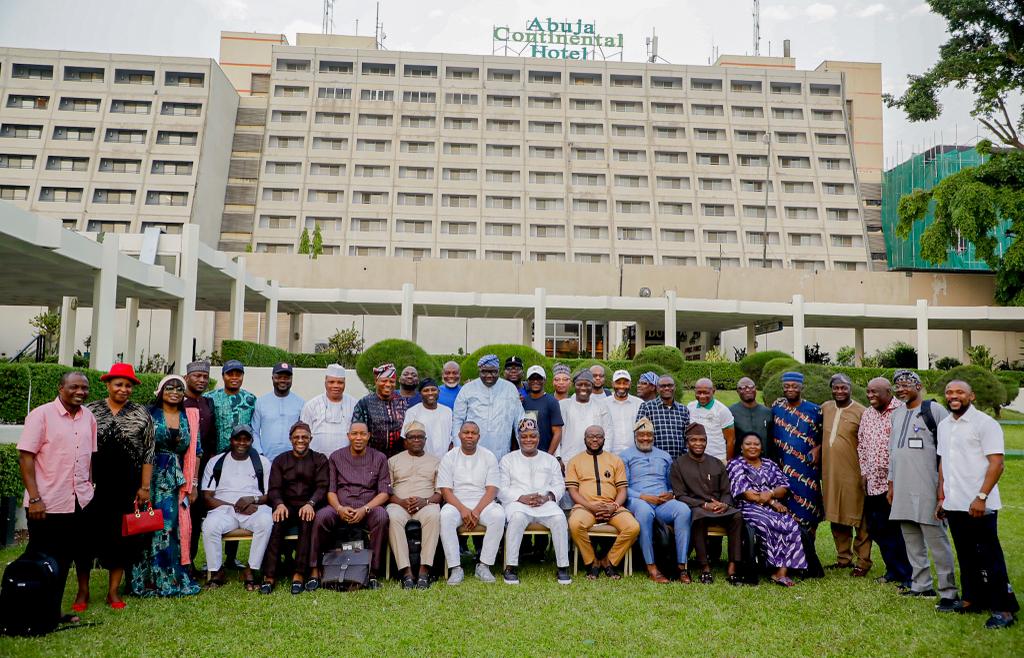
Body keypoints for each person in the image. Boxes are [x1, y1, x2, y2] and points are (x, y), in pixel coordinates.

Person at [937, 380, 1019, 629]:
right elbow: (943, 463)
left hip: (980, 504)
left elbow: (997, 464)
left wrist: (981, 497)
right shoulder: (944, 425)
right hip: (955, 504)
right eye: (950, 392)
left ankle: (1003, 608)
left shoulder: (985, 424)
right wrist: (942, 497)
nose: (954, 396)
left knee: (989, 557)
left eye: (959, 392)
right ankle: (972, 599)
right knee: (966, 555)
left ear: (971, 396)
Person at [18, 371, 96, 623]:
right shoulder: (41, 415)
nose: (80, 392)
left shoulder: (89, 418)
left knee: (63, 561)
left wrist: (89, 490)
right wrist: (35, 498)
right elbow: (26, 457)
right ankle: (27, 609)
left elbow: (89, 458)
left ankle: (53, 612)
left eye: (85, 388)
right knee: (40, 558)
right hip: (47, 502)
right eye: (74, 387)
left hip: (79, 502)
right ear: (61, 388)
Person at [75, 363, 154, 611]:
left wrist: (144, 487)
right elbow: (77, 447)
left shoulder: (142, 413)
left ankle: (113, 592)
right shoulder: (90, 411)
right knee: (86, 539)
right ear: (108, 385)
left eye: (128, 385)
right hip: (93, 485)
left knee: (121, 538)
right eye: (118, 384)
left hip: (126, 486)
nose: (124, 389)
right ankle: (82, 591)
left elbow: (149, 454)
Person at [889, 370, 958, 610]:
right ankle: (921, 586)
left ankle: (949, 591)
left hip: (928, 487)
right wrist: (891, 484)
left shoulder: (934, 410)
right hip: (902, 488)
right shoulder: (896, 414)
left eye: (906, 384)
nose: (900, 389)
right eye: (897, 386)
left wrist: (943, 490)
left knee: (937, 541)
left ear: (918, 386)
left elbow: (947, 452)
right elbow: (893, 453)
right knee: (911, 539)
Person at [132, 375, 202, 597]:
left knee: (168, 528)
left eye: (179, 388)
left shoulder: (187, 418)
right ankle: (146, 580)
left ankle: (168, 577)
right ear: (160, 391)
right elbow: (137, 446)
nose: (175, 391)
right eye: (169, 387)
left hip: (173, 478)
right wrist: (141, 485)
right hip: (148, 475)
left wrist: (193, 484)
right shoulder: (148, 414)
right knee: (145, 526)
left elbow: (196, 452)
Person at [310, 422, 391, 588]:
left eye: (362, 434)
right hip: (340, 506)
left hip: (368, 507)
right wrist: (339, 508)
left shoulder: (380, 458)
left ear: (369, 436)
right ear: (348, 436)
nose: (358, 438)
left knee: (382, 516)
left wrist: (365, 509)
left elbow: (384, 492)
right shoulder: (336, 457)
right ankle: (315, 569)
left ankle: (373, 572)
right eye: (354, 434)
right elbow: (331, 491)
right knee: (321, 517)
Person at [728, 433, 808, 587]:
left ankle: (781, 572)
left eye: (756, 444)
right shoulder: (736, 464)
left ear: (761, 447)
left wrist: (771, 493)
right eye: (748, 444)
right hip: (748, 507)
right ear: (741, 447)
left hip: (772, 506)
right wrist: (771, 500)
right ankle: (771, 564)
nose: (752, 447)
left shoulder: (770, 464)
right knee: (769, 522)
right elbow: (746, 493)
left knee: (789, 524)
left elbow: (784, 487)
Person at [499, 418, 572, 586]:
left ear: (538, 437)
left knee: (560, 518)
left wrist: (548, 497)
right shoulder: (508, 459)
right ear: (518, 438)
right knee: (516, 518)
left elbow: (560, 485)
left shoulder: (550, 459)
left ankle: (563, 566)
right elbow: (501, 488)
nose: (528, 440)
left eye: (533, 436)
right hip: (517, 504)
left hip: (544, 503)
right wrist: (520, 497)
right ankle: (511, 566)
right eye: (524, 436)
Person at [201, 424, 272, 591]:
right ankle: (216, 571)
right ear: (231, 440)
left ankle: (250, 569)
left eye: (246, 439)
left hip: (254, 509)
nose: (242, 443)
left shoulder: (262, 462)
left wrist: (252, 500)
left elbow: (270, 495)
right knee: (210, 526)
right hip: (224, 510)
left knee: (266, 522)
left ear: (251, 441)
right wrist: (237, 507)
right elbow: (207, 497)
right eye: (238, 439)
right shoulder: (216, 462)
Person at [671, 423, 744, 584]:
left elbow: (726, 490)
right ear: (687, 442)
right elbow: (680, 495)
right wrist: (704, 505)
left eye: (702, 440)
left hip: (720, 508)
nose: (698, 443)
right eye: (694, 440)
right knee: (698, 516)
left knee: (737, 516)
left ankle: (733, 567)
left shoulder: (716, 463)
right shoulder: (678, 464)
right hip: (699, 508)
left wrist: (724, 504)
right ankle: (705, 568)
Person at [261, 421, 328, 595]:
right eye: (296, 437)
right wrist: (279, 504)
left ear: (310, 439)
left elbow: (322, 486)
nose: (300, 440)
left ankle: (298, 574)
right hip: (287, 504)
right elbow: (274, 488)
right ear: (290, 439)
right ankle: (269, 576)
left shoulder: (319, 459)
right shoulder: (280, 460)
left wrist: (311, 503)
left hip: (309, 505)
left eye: (304, 437)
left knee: (306, 523)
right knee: (277, 524)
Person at [622, 418, 692, 583]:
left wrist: (669, 493)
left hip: (662, 502)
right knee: (644, 512)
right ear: (635, 436)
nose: (645, 438)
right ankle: (651, 566)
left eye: (649, 435)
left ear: (653, 436)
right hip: (637, 500)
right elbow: (622, 488)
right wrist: (643, 497)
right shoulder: (624, 456)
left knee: (684, 511)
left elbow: (670, 484)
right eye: (641, 435)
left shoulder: (664, 456)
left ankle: (682, 566)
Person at [566, 425, 639, 580]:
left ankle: (609, 561)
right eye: (590, 436)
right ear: (584, 439)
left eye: (598, 436)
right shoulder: (574, 461)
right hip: (586, 507)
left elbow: (622, 491)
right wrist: (590, 506)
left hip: (612, 506)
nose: (594, 439)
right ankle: (592, 562)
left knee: (632, 527)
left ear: (604, 439)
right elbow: (573, 492)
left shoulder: (615, 460)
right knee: (575, 524)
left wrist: (614, 506)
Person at [859, 377, 911, 588]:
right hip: (873, 483)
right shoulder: (867, 414)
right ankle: (893, 570)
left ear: (888, 391)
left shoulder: (903, 412)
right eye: (868, 392)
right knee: (878, 529)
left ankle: (908, 574)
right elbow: (861, 444)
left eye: (875, 392)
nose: (870, 396)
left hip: (896, 484)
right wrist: (864, 472)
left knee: (899, 531)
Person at [770, 371, 824, 576]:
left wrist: (818, 448)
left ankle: (808, 559)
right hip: (782, 470)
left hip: (807, 471)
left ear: (802, 387)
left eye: (795, 386)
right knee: (785, 514)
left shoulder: (815, 410)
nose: (791, 389)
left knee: (808, 514)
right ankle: (788, 558)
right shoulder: (776, 408)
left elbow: (825, 436)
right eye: (787, 386)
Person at [438, 422, 504, 585]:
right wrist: (463, 510)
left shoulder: (488, 456)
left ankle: (484, 566)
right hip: (456, 502)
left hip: (483, 502)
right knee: (445, 516)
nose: (469, 436)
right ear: (459, 435)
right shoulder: (449, 457)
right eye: (466, 432)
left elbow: (492, 489)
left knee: (498, 515)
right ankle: (455, 568)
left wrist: (476, 511)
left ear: (478, 437)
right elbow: (446, 490)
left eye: (473, 433)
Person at [820, 373, 871, 576]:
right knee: (836, 515)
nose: (840, 391)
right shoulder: (825, 408)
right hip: (831, 473)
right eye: (836, 388)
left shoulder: (862, 412)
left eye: (844, 388)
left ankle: (863, 562)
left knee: (860, 518)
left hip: (854, 473)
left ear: (850, 388)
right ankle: (843, 558)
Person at [387, 421, 442, 589]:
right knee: (392, 517)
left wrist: (424, 502)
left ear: (425, 440)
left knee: (434, 515)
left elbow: (439, 493)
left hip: (425, 505)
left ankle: (424, 571)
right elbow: (387, 491)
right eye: (412, 437)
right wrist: (401, 502)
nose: (416, 440)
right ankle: (406, 572)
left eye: (420, 437)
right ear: (405, 440)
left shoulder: (436, 461)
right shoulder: (393, 461)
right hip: (399, 504)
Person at [451, 354, 522, 461]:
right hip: (471, 452)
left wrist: (524, 450)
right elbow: (457, 421)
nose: (489, 375)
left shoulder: (510, 389)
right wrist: (458, 448)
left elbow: (519, 421)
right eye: (484, 371)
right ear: (479, 371)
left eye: (493, 371)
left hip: (501, 452)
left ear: (499, 371)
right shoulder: (468, 389)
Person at [183, 361, 217, 573]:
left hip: (203, 468)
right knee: (179, 516)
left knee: (195, 516)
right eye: (197, 376)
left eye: (205, 377)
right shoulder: (178, 401)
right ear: (187, 378)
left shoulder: (208, 403)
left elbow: (212, 437)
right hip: (179, 466)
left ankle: (190, 561)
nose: (201, 380)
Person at [557, 370, 615, 466]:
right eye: (579, 384)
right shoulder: (563, 405)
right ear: (574, 385)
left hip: (595, 459)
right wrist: (558, 457)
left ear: (592, 386)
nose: (583, 388)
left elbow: (608, 433)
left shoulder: (601, 406)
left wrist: (603, 456)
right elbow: (556, 433)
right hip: (567, 458)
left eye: (587, 385)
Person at [352, 363, 408, 458]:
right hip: (372, 458)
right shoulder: (364, 403)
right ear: (376, 381)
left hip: (398, 458)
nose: (388, 384)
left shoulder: (403, 402)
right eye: (384, 381)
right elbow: (358, 433)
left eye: (392, 381)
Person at [300, 363, 357, 456]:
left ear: (345, 383)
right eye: (331, 382)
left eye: (340, 382)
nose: (336, 386)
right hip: (316, 462)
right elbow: (303, 435)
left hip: (345, 461)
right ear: (325, 382)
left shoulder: (354, 405)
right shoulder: (311, 405)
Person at [252, 362, 305, 461]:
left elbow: (304, 433)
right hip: (267, 459)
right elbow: (254, 431)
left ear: (292, 379)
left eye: (286, 377)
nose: (282, 380)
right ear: (272, 378)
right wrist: (260, 454)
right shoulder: (261, 402)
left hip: (293, 460)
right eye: (279, 377)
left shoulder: (301, 403)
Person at [205, 360, 257, 455]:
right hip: (216, 454)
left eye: (238, 375)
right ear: (223, 376)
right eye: (230, 374)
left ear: (242, 376)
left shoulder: (251, 399)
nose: (234, 378)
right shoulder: (210, 397)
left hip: (244, 453)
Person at [636, 375, 690, 459]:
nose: (667, 388)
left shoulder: (683, 409)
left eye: (670, 385)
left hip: (678, 461)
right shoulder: (647, 407)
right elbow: (638, 434)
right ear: (657, 389)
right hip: (655, 460)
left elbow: (687, 436)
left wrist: (683, 458)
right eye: (663, 386)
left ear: (674, 387)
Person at [687, 378, 736, 462]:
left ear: (713, 391)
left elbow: (731, 440)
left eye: (706, 393)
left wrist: (728, 463)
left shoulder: (722, 410)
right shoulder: (690, 407)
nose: (702, 396)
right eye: (699, 392)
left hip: (717, 458)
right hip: (695, 458)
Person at [402, 378, 453, 459]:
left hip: (445, 459)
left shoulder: (447, 411)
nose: (430, 393)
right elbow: (406, 439)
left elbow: (452, 436)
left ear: (438, 392)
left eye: (433, 390)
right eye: (426, 390)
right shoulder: (412, 412)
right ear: (420, 394)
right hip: (421, 460)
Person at [520, 365, 564, 455]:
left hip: (544, 453)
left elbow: (557, 432)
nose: (535, 381)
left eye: (539, 378)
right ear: (527, 381)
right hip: (524, 453)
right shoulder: (523, 401)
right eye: (532, 379)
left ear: (544, 380)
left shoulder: (552, 401)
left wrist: (549, 454)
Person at [605, 370, 642, 455]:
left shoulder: (639, 403)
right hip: (610, 454)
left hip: (634, 454)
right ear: (612, 384)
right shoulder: (603, 404)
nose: (621, 386)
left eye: (625, 383)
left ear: (630, 384)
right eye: (618, 383)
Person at [729, 377, 771, 450]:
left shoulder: (767, 412)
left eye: (751, 387)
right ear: (737, 391)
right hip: (740, 459)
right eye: (742, 388)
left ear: (756, 389)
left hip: (764, 458)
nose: (748, 390)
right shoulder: (730, 412)